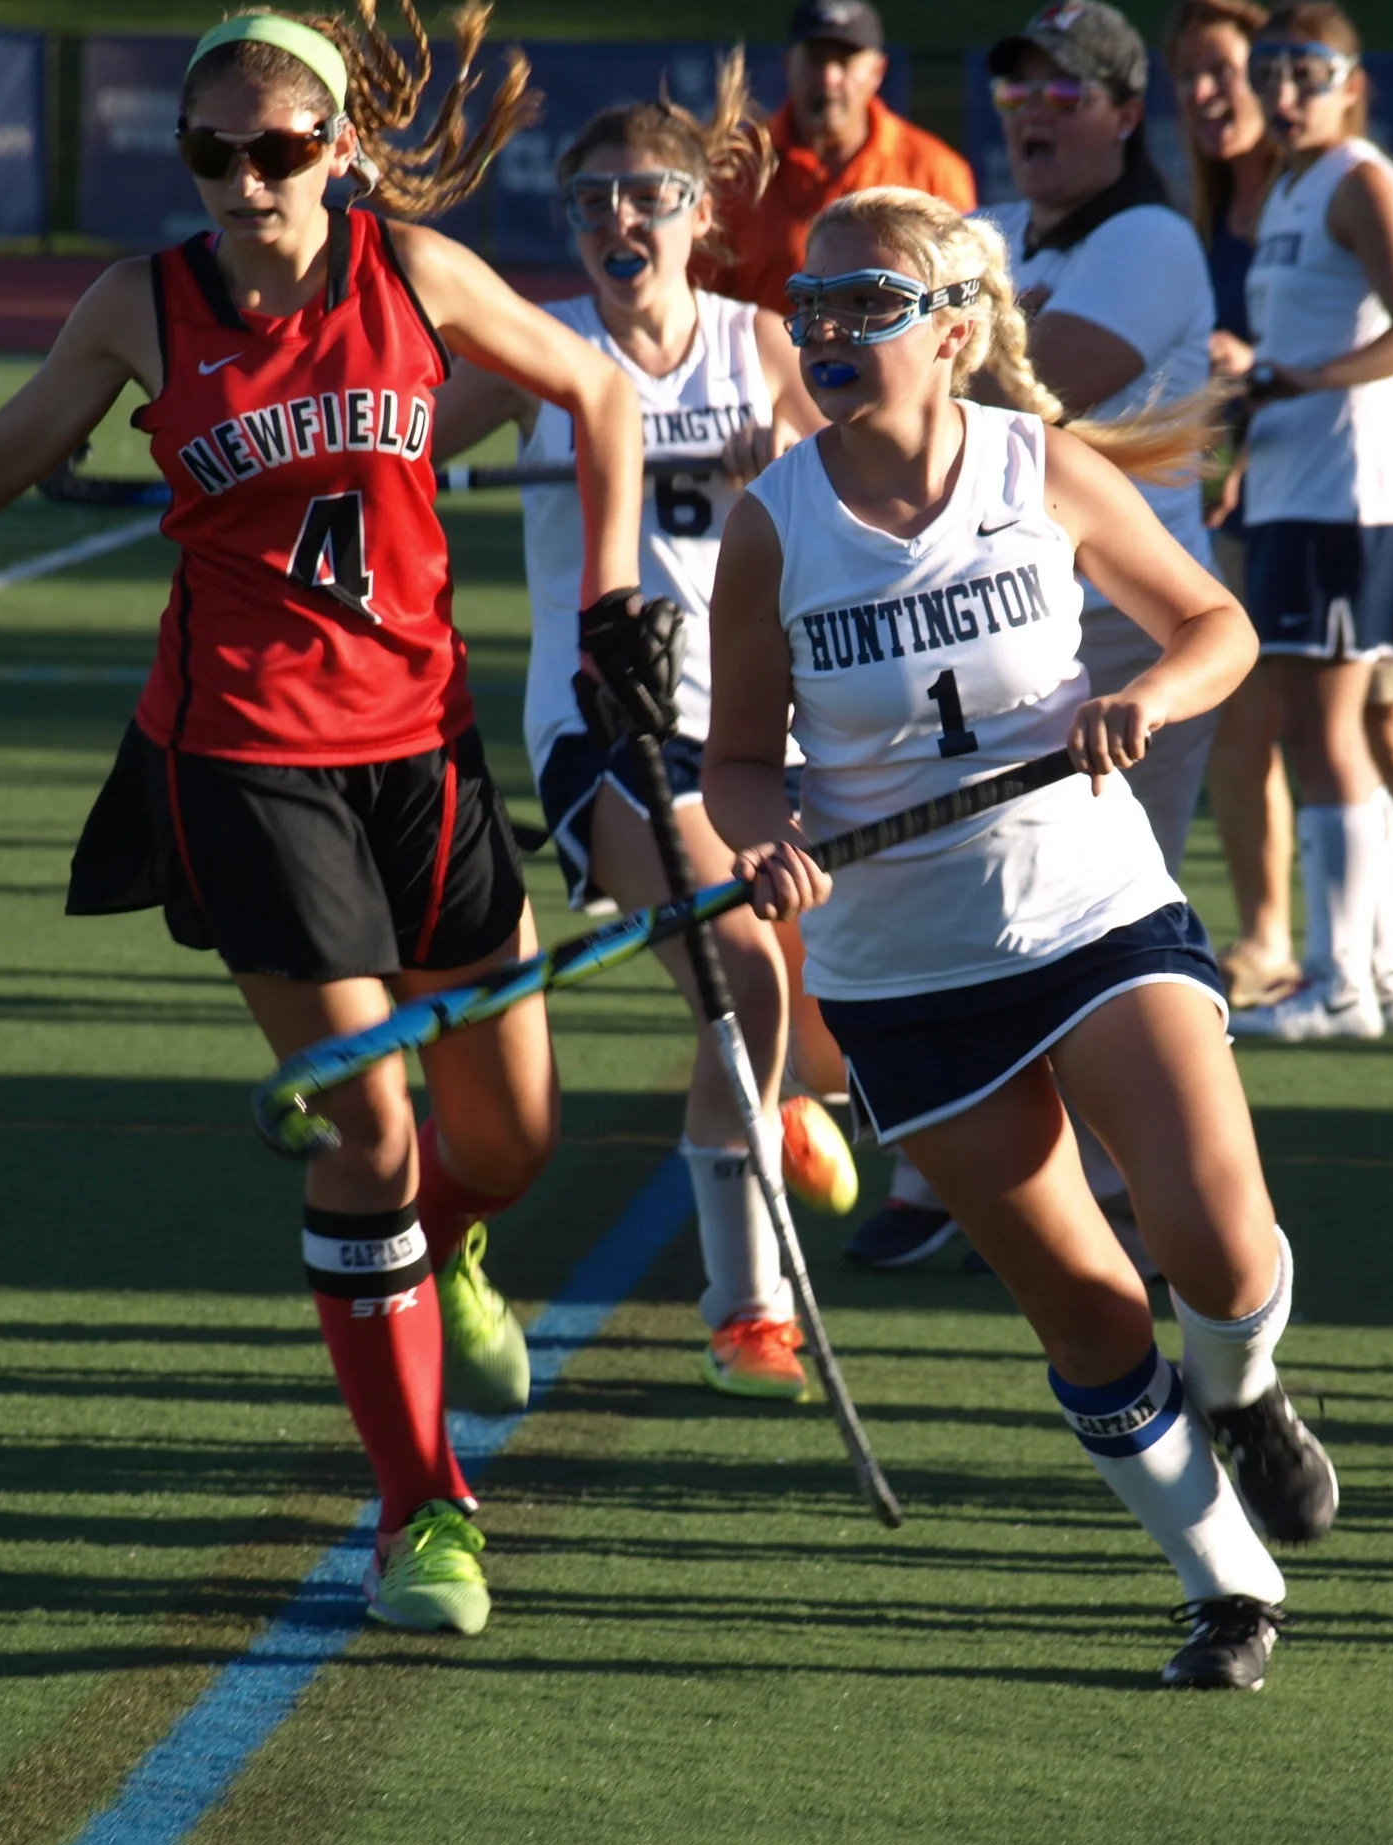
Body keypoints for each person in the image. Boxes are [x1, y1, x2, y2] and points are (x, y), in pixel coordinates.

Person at [0, 3, 662, 1639]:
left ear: (335, 151)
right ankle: (422, 1504)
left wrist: (613, 601)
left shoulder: (409, 275)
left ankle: (453, 1250)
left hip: (423, 751)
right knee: (369, 1132)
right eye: (207, 151)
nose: (238, 181)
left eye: (273, 150)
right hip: (245, 764)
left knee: (502, 1142)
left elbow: (601, 390)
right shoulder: (140, 302)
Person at [702, 184, 1339, 1689]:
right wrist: (761, 838)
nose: (828, 331)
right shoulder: (769, 526)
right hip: (901, 966)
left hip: (1089, 903)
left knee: (1213, 1237)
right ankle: (1224, 1587)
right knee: (1084, 1302)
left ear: (954, 329)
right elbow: (736, 758)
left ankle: (1242, 1387)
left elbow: (1213, 627)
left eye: (867, 305)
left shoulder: (1032, 463)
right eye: (812, 306)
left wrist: (1146, 697)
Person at [432, 55, 851, 1403]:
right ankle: (747, 1309)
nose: (618, 221)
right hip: (606, 723)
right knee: (741, 971)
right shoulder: (539, 350)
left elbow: (855, 492)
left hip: (757, 720)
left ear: (698, 215)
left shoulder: (755, 345)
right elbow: (390, 446)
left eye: (646, 196)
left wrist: (780, 469)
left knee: (818, 992)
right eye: (589, 200)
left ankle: (787, 1096)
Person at [848, 0, 1221, 1270]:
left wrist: (873, 372)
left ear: (1125, 113)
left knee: (1094, 910)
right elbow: (896, 363)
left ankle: (1120, 1195)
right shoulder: (992, 235)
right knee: (956, 873)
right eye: (1015, 94)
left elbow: (1034, 384)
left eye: (1064, 93)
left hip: (1115, 626)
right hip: (978, 614)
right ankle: (957, 1168)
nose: (1032, 114)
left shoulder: (1151, 238)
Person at [1167, 0, 1393, 1020]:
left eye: (1308, 74)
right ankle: (1372, 974)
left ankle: (1340, 981)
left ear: (1352, 85)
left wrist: (1286, 380)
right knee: (1309, 727)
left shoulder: (1356, 177)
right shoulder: (1286, 188)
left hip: (1348, 495)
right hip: (1292, 492)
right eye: (1276, 72)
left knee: (1336, 732)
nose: (1285, 95)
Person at [699, 0, 975, 316]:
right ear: (789, 64)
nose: (829, 78)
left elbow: (960, 301)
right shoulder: (734, 166)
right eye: (816, 61)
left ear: (877, 71)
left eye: (845, 62)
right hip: (759, 362)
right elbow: (700, 304)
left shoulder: (934, 171)